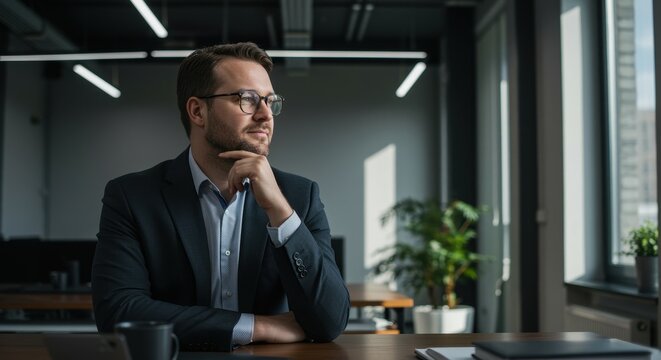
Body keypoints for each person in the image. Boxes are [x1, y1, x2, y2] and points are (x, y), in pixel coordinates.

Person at [91, 42, 350, 352]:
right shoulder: (132, 197)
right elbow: (118, 313)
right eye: (247, 99)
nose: (266, 115)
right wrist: (257, 325)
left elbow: (330, 321)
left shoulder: (299, 196)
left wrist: (279, 211)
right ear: (198, 111)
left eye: (270, 101)